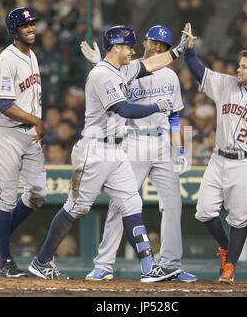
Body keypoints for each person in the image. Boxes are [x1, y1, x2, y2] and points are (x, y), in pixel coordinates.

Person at [28, 24, 191, 282]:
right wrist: (155, 106)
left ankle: (148, 266)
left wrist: (180, 50)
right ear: (116, 47)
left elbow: (151, 64)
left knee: (132, 203)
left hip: (116, 149)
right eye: (128, 46)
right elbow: (124, 109)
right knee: (78, 207)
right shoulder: (102, 74)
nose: (132, 51)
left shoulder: (121, 68)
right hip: (94, 149)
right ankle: (42, 260)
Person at [83, 25, 197, 282]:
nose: (158, 47)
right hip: (132, 141)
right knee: (121, 203)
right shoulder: (128, 69)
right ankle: (104, 264)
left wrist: (180, 148)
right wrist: (99, 62)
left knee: (172, 204)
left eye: (163, 46)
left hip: (161, 142)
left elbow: (176, 115)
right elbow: (107, 78)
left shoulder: (170, 77)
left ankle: (169, 263)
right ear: (144, 42)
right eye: (155, 42)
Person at [183, 24, 247, 284]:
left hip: (245, 165)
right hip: (218, 159)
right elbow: (200, 73)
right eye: (239, 65)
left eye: (244, 66)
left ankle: (230, 267)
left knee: (239, 218)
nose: (238, 69)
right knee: (204, 211)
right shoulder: (227, 85)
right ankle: (226, 247)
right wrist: (189, 52)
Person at [0, 7, 47, 278]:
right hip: (6, 133)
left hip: (29, 133)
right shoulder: (5, 59)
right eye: (25, 25)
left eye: (32, 24)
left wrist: (35, 122)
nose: (31, 28)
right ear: (14, 30)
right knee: (7, 197)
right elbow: (4, 103)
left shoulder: (31, 55)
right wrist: (38, 120)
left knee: (38, 192)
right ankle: (5, 261)